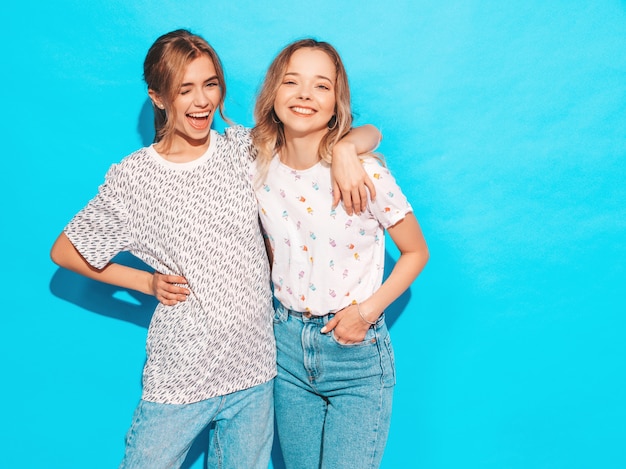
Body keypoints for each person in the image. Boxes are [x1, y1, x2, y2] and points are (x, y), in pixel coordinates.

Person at [49, 29, 380, 469]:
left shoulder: (244, 148)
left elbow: (356, 131)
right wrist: (144, 281)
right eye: (185, 89)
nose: (202, 100)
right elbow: (65, 252)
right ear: (159, 97)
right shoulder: (134, 179)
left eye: (210, 84)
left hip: (256, 373)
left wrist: (345, 149)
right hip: (182, 373)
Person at [251, 39, 430, 468]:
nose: (305, 95)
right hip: (287, 350)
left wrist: (365, 313)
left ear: (337, 104)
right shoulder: (258, 166)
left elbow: (416, 252)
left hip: (354, 354)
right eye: (291, 82)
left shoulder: (362, 172)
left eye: (321, 86)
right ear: (273, 93)